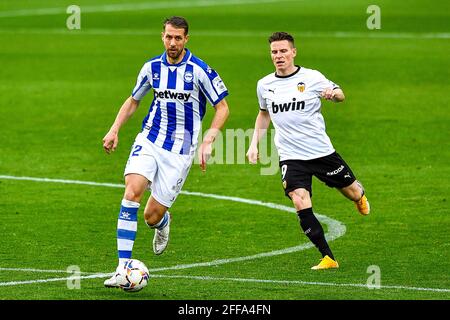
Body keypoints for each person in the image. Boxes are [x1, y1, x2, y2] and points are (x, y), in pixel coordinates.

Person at [102, 16, 229, 287]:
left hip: (180, 151)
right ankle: (122, 267)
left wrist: (209, 139)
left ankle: (162, 223)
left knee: (151, 215)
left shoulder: (200, 70)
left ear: (186, 39)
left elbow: (223, 107)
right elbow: (134, 100)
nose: (173, 42)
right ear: (162, 36)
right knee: (132, 191)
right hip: (150, 138)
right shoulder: (151, 68)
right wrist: (114, 129)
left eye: (178, 38)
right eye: (168, 37)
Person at [246, 32, 370, 270]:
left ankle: (360, 195)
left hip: (321, 152)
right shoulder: (264, 84)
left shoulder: (311, 77)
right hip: (291, 156)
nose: (279, 56)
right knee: (299, 199)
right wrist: (254, 144)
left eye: (283, 51)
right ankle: (328, 257)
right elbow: (264, 114)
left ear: (293, 52)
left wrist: (333, 96)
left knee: (352, 193)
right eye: (274, 52)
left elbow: (341, 94)